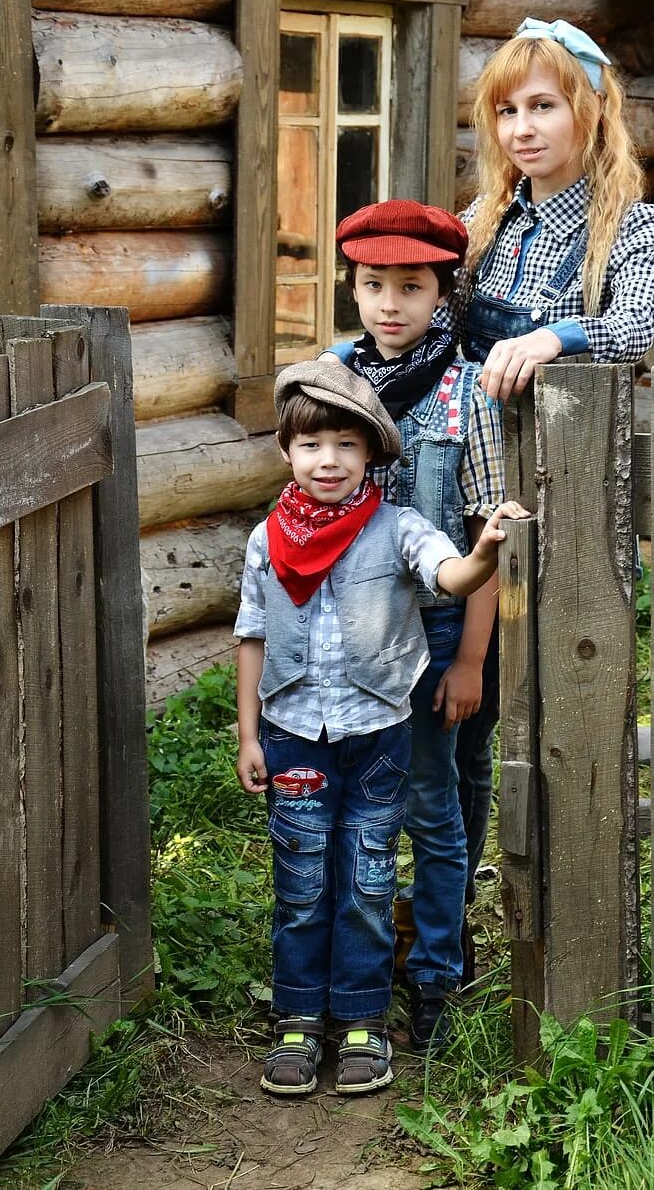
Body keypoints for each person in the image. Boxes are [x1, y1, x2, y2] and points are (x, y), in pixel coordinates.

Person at [234, 358, 526, 1098]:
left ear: (372, 455)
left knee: (366, 877)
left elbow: (453, 576)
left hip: (377, 736)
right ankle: (299, 1020)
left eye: (345, 445)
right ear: (286, 453)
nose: (326, 460)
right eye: (309, 445)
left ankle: (362, 1018)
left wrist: (486, 547)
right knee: (300, 882)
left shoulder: (398, 527)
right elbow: (251, 638)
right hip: (293, 733)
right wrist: (247, 735)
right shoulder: (267, 540)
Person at [444, 16, 654, 914]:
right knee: (462, 705)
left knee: (564, 703)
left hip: (568, 496)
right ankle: (447, 918)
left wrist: (552, 334)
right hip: (467, 493)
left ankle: (572, 900)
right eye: (505, 111)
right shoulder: (481, 224)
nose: (522, 129)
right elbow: (425, 323)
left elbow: (633, 330)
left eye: (543, 106)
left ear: (589, 110)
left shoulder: (632, 226)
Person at [332, 198, 504, 1051]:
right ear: (353, 288)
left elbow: (486, 537)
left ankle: (436, 977)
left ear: (443, 292)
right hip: (346, 639)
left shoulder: (464, 390)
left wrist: (469, 660)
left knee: (433, 810)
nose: (390, 303)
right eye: (373, 284)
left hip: (435, 639)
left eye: (412, 285)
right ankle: (348, 976)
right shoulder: (334, 379)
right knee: (352, 808)